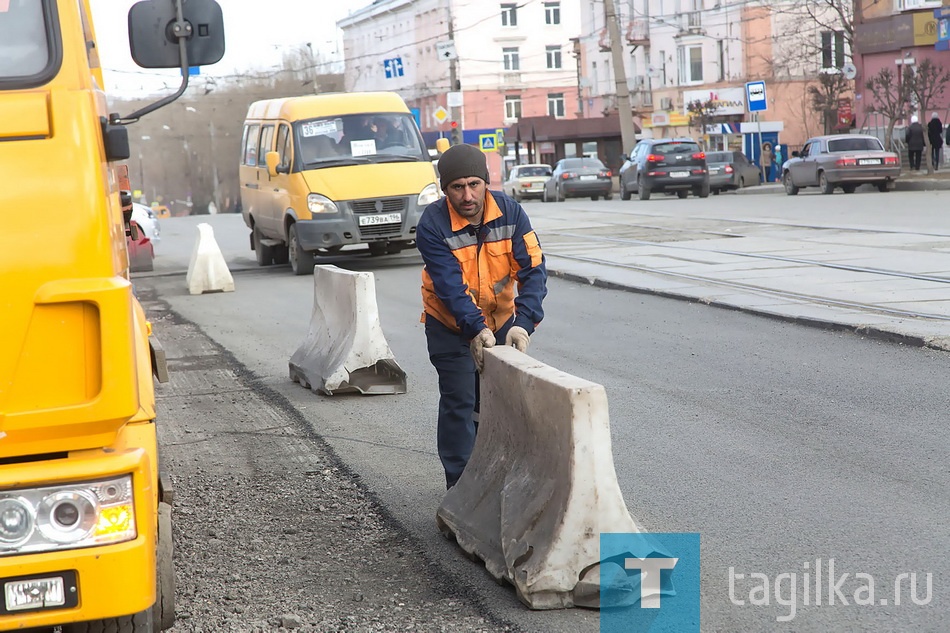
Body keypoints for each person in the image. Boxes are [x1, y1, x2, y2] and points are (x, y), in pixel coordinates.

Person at [416, 144, 548, 489]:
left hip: (502, 320)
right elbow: (449, 286)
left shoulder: (511, 213)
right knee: (461, 401)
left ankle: (501, 481)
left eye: (474, 184)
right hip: (449, 324)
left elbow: (533, 271)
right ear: (445, 190)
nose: (467, 195)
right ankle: (461, 489)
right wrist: (474, 329)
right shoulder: (432, 224)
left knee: (500, 403)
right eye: (457, 187)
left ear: (486, 182)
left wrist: (523, 322)